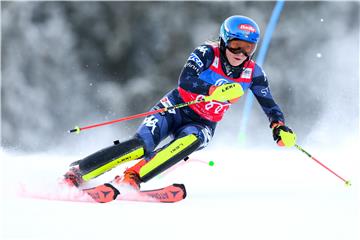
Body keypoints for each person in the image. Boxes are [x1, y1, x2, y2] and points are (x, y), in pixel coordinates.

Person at [64, 15, 296, 200]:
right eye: (236, 46)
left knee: (188, 142)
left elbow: (269, 104)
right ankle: (77, 173)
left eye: (248, 48)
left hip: (203, 122)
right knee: (141, 146)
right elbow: (185, 79)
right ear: (224, 41)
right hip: (175, 107)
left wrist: (279, 126)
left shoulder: (253, 73)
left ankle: (132, 179)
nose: (241, 54)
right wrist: (212, 91)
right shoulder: (207, 53)